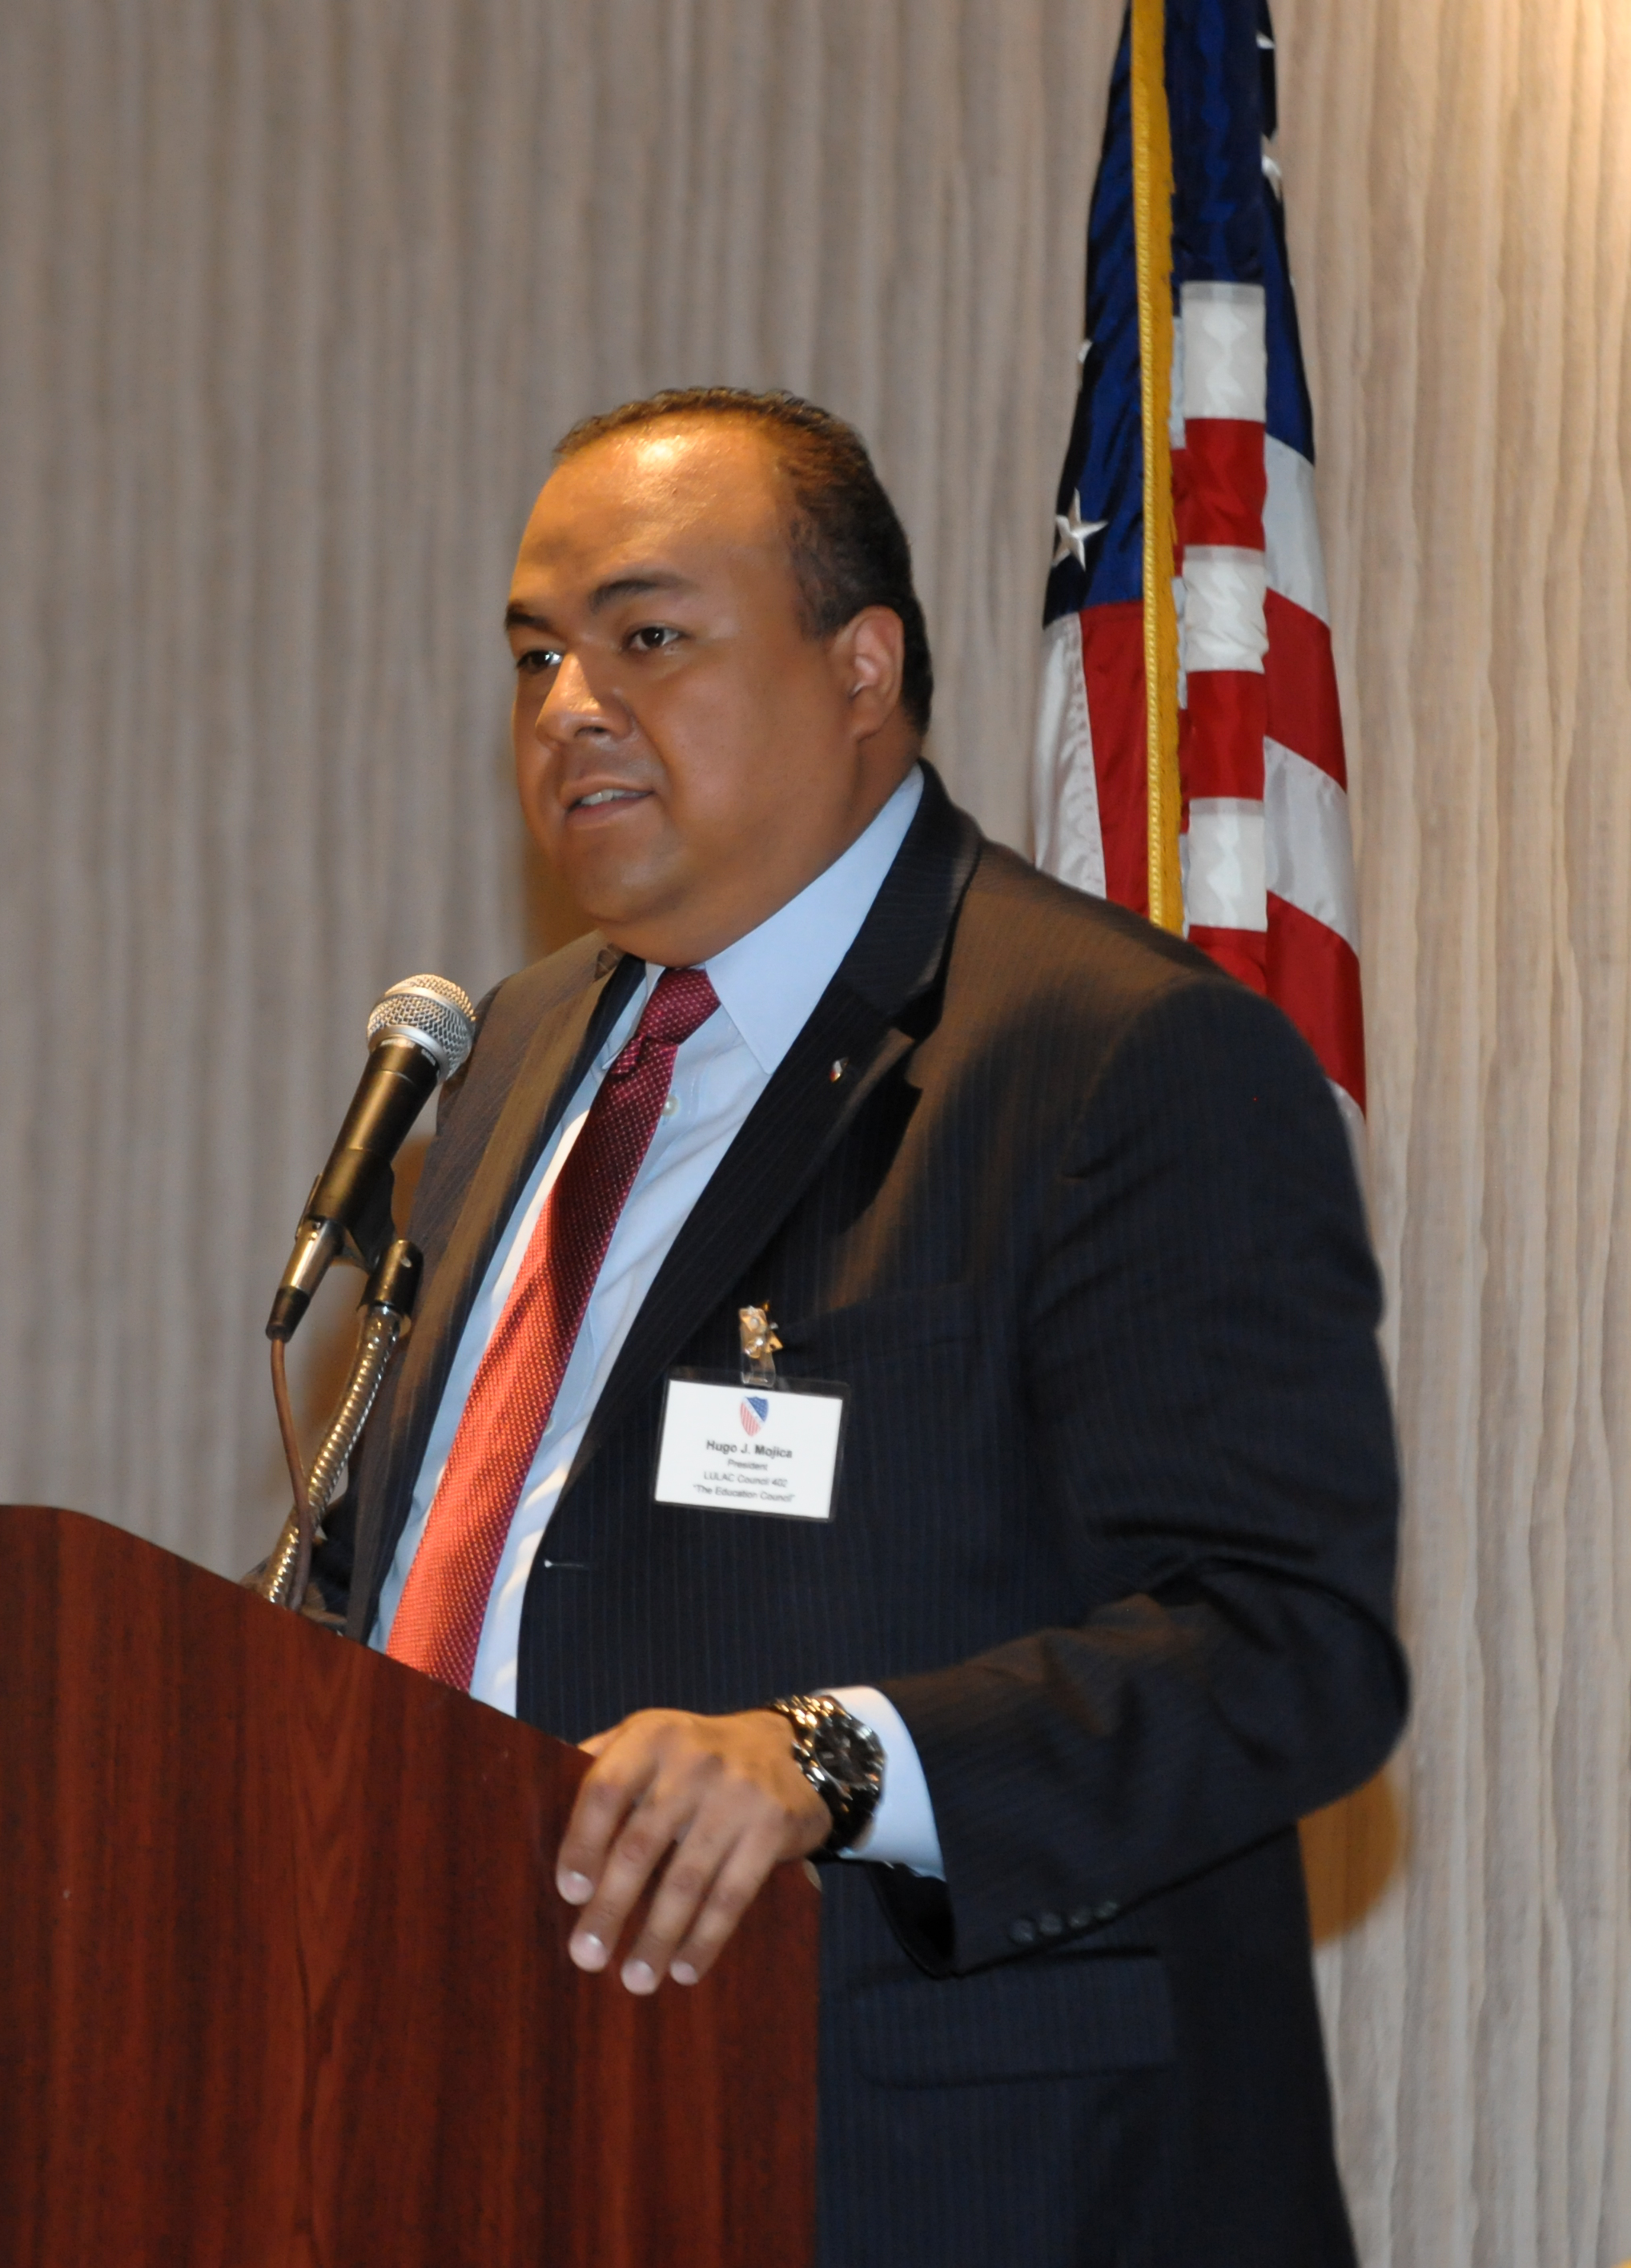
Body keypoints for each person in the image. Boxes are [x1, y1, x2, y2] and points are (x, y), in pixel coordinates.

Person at [315, 388, 1406, 2266]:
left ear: (861, 668)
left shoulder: (1113, 1057)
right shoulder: (507, 1060)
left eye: (648, 637)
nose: (569, 704)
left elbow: (1283, 1646)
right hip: (490, 2123)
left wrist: (829, 1760)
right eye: (534, 654)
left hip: (930, 2175)